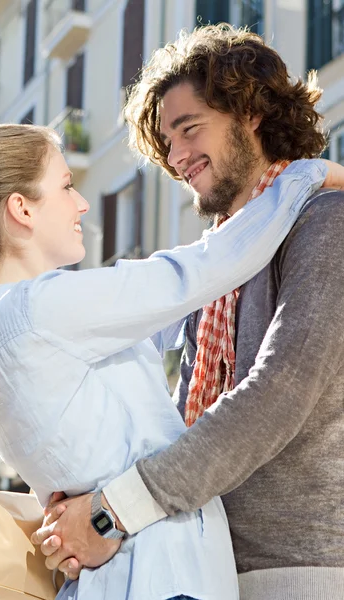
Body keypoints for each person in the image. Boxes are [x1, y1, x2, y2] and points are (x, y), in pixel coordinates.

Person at [0, 122, 342, 600]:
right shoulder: (44, 309)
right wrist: (308, 177)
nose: (82, 204)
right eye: (66, 186)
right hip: (160, 578)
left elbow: (170, 317)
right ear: (21, 208)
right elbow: (198, 271)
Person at [34, 25, 344, 600]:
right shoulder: (216, 267)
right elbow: (176, 426)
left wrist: (111, 513)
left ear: (250, 113)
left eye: (189, 129)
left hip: (300, 572)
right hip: (207, 570)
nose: (176, 158)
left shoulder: (326, 220)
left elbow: (281, 390)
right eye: (166, 143)